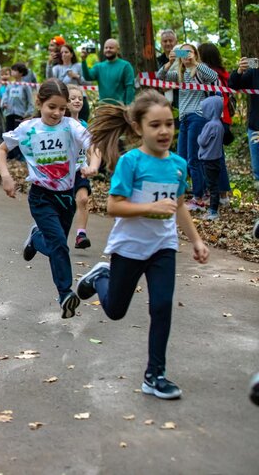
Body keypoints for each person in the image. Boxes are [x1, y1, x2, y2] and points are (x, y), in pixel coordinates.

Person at [78, 90, 209, 400]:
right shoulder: (130, 162)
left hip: (163, 246)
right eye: (155, 125)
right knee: (115, 311)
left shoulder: (178, 164)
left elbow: (177, 205)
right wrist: (150, 209)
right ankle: (100, 278)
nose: (164, 131)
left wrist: (197, 240)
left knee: (162, 306)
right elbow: (113, 206)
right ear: (138, 128)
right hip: (129, 247)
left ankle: (155, 375)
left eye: (169, 124)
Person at [0, 79, 100, 319]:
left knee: (56, 246)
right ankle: (65, 294)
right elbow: (2, 149)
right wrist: (5, 175)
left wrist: (93, 165)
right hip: (41, 196)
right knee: (60, 246)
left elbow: (93, 145)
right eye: (52, 107)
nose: (57, 113)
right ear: (40, 103)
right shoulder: (27, 128)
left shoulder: (71, 126)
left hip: (67, 197)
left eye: (62, 108)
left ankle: (35, 239)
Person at [156, 43, 218, 211]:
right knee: (181, 158)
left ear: (195, 53)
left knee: (193, 158)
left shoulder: (199, 69)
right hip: (184, 118)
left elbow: (213, 77)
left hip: (197, 116)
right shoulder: (180, 73)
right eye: (183, 52)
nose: (186, 54)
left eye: (189, 51)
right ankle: (182, 195)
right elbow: (160, 77)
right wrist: (169, 62)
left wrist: (195, 62)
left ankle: (199, 197)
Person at [198, 42, 233, 201]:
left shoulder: (211, 75)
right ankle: (220, 193)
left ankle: (221, 193)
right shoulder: (223, 73)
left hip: (216, 118)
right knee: (217, 156)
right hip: (223, 119)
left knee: (215, 157)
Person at [66, 86, 95, 248]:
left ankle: (81, 235)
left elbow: (88, 147)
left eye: (79, 98)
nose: (77, 101)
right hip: (62, 172)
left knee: (83, 199)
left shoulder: (84, 124)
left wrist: (91, 162)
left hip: (80, 169)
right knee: (65, 206)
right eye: (72, 98)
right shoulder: (61, 123)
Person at [229, 57, 259, 191]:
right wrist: (240, 70)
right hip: (256, 126)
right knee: (257, 168)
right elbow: (233, 85)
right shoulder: (254, 72)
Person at [81, 39, 135, 105]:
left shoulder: (126, 66)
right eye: (106, 48)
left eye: (111, 48)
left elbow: (130, 87)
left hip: (120, 107)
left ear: (118, 50)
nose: (108, 50)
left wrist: (128, 105)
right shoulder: (99, 67)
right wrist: (83, 61)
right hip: (103, 107)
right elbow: (88, 77)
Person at [197, 96, 225, 220]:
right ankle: (213, 209)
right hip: (216, 160)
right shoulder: (219, 124)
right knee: (214, 185)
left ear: (211, 110)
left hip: (208, 160)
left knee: (212, 186)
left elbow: (202, 141)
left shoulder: (210, 125)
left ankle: (213, 212)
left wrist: (199, 137)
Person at [0, 63, 33, 160]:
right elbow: (5, 96)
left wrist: (28, 114)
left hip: (20, 114)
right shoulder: (10, 85)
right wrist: (4, 104)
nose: (12, 72)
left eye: (15, 70)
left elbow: (30, 101)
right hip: (9, 113)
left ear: (21, 73)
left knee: (18, 134)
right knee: (9, 133)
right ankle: (10, 154)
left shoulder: (25, 86)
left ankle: (19, 154)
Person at [52, 43, 90, 121]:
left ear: (71, 54)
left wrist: (77, 76)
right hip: (64, 100)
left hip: (80, 99)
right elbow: (53, 83)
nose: (64, 54)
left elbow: (88, 82)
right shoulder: (56, 68)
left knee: (81, 124)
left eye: (66, 52)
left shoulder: (79, 66)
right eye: (62, 53)